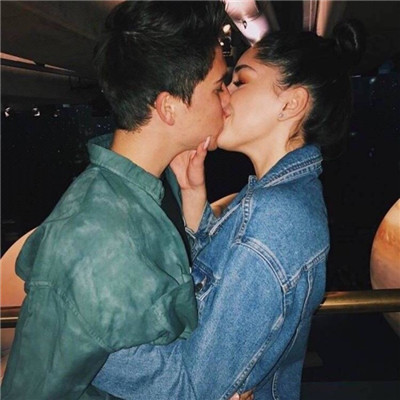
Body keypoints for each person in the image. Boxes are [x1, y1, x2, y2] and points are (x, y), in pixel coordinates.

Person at [93, 20, 365, 400]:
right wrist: (194, 197)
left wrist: (83, 343)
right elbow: (217, 288)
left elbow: (192, 386)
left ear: (291, 104)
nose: (224, 96)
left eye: (240, 81)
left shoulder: (276, 218)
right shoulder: (282, 199)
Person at [2, 1, 231, 399]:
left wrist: (193, 198)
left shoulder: (160, 185)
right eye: (218, 87)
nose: (228, 100)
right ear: (169, 107)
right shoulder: (89, 239)